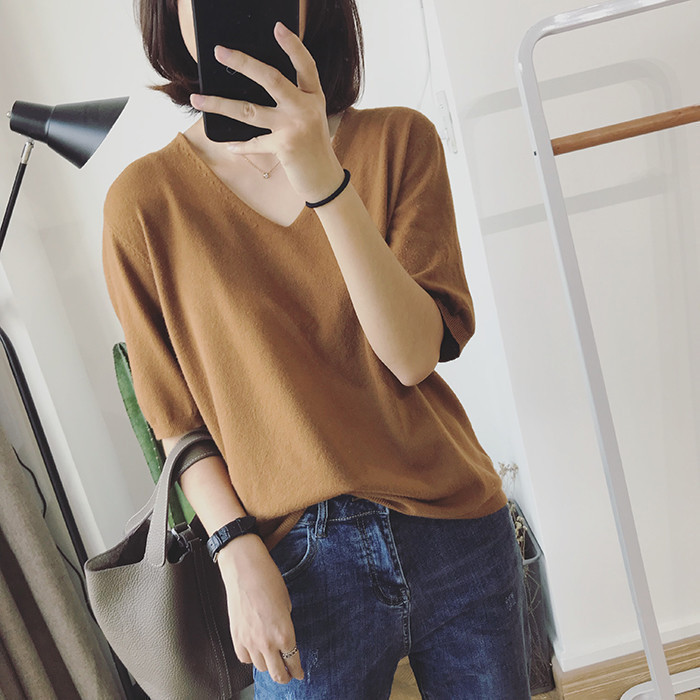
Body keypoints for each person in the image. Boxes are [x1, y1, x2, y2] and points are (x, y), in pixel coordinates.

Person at [102, 0, 531, 697]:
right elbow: (177, 424)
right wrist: (234, 549)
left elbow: (412, 357)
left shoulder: (400, 141)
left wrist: (323, 179)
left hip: (454, 531)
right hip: (293, 570)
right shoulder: (145, 204)